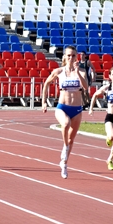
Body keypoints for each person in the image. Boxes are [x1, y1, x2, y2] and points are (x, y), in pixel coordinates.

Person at [42, 46, 88, 179]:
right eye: (68, 55)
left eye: (73, 55)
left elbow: (85, 87)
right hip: (62, 107)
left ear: (76, 57)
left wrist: (78, 71)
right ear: (64, 57)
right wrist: (44, 102)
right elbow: (46, 83)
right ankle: (65, 149)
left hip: (77, 109)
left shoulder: (82, 71)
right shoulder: (59, 71)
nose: (71, 58)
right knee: (65, 123)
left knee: (71, 139)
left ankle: (64, 163)